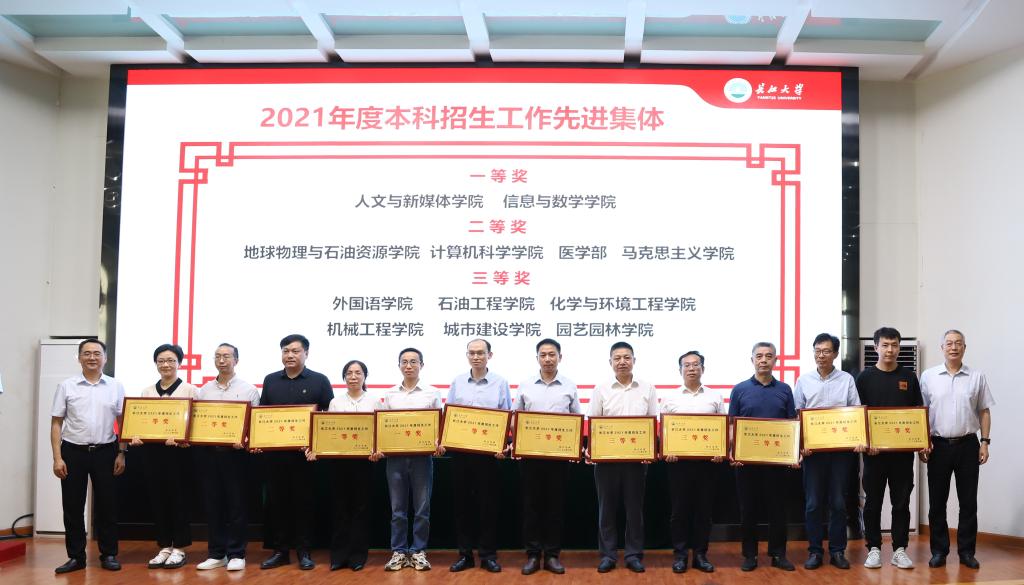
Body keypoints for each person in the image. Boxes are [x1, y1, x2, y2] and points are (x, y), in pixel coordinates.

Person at [258, 334, 334, 570]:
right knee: (277, 503)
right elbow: (262, 414)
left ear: (306, 354)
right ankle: (280, 551)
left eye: (295, 351)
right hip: (275, 456)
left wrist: (316, 444)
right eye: (285, 351)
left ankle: (304, 551)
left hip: (305, 457)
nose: (289, 355)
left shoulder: (320, 380)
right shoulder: (270, 380)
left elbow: (329, 417)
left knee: (304, 504)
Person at [920, 329, 995, 570]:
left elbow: (984, 411)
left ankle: (966, 552)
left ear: (964, 347)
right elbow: (920, 414)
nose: (954, 347)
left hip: (968, 445)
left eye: (958, 343)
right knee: (937, 503)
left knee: (968, 502)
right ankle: (938, 551)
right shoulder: (928, 376)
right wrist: (922, 443)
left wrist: (985, 442)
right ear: (942, 347)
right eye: (949, 343)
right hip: (938, 446)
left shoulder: (976, 376)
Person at [50, 339, 126, 574]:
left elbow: (123, 422)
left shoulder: (115, 386)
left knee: (108, 506)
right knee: (72, 507)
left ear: (105, 358)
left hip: (106, 451)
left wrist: (122, 452)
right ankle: (76, 557)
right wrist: (57, 458)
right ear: (79, 357)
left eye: (97, 353)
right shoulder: (66, 386)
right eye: (87, 353)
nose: (92, 357)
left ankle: (109, 554)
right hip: (73, 452)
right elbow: (56, 423)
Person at [793, 333, 863, 570]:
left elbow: (855, 412)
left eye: (826, 351)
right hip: (813, 454)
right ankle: (814, 551)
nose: (821, 355)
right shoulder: (804, 380)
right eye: (817, 351)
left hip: (841, 453)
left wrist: (858, 438)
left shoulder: (846, 380)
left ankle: (837, 551)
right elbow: (797, 415)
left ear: (835, 354)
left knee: (838, 503)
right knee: (813, 504)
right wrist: (801, 444)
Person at [856, 326, 924, 570]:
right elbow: (857, 415)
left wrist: (920, 443)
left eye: (894, 345)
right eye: (885, 345)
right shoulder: (864, 378)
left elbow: (918, 413)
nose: (890, 350)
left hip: (902, 455)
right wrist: (866, 443)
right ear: (876, 347)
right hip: (874, 455)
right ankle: (874, 548)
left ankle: (899, 550)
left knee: (901, 503)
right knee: (872, 503)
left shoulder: (909, 377)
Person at [443, 338, 512, 573]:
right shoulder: (458, 382)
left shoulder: (500, 383)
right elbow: (449, 416)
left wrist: (503, 444)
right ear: (467, 356)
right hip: (461, 454)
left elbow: (506, 416)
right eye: (471, 353)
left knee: (488, 506)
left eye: (481, 353)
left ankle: (488, 555)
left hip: (489, 456)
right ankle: (465, 555)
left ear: (489, 355)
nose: (476, 357)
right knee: (462, 506)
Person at [588, 341, 657, 574]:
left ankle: (633, 555)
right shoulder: (601, 389)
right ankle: (608, 555)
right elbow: (593, 422)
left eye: (627, 357)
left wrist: (650, 449)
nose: (622, 362)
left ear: (634, 361)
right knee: (606, 510)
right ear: (610, 362)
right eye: (617, 358)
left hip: (636, 461)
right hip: (606, 461)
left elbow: (653, 422)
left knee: (634, 510)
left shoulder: (647, 388)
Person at [728, 342, 797, 572]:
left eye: (769, 356)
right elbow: (731, 424)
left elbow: (791, 424)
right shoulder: (740, 389)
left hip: (776, 462)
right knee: (748, 509)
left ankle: (778, 554)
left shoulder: (785, 389)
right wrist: (733, 451)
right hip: (746, 462)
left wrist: (792, 453)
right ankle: (750, 555)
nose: (764, 360)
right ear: (752, 360)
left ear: (776, 360)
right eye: (759, 356)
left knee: (778, 509)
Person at [515, 338, 580, 575]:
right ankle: (533, 555)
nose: (548, 359)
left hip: (558, 459)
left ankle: (552, 555)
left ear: (560, 357)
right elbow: (516, 420)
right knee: (531, 507)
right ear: (537, 359)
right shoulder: (525, 386)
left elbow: (576, 420)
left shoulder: (569, 386)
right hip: (530, 458)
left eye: (552, 354)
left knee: (555, 507)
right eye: (543, 355)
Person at [131, 344, 199, 569]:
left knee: (179, 499)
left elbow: (197, 424)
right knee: (158, 499)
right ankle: (164, 546)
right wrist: (136, 435)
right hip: (152, 453)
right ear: (156, 364)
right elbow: (139, 421)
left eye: (170, 360)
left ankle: (179, 548)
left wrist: (184, 439)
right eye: (161, 361)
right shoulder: (147, 391)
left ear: (179, 363)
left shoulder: (190, 390)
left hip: (179, 454)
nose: (166, 365)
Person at [306, 360, 376, 571]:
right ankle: (339, 556)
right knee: (340, 509)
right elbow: (328, 432)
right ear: (344, 377)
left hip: (364, 463)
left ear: (365, 376)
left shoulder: (374, 402)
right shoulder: (335, 402)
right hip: (339, 463)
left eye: (358, 373)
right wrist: (317, 448)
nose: (353, 377)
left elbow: (379, 433)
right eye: (349, 373)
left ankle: (358, 556)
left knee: (361, 509)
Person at [195, 343, 259, 572]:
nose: (221, 360)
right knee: (213, 505)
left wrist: (245, 439)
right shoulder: (204, 390)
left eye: (226, 356)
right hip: (210, 454)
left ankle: (236, 553)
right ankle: (216, 553)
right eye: (217, 356)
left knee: (237, 505)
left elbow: (255, 425)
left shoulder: (249, 390)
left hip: (236, 456)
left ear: (236, 360)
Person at [377, 348, 442, 572]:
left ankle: (418, 552)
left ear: (421, 365)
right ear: (399, 366)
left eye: (413, 361)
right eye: (404, 362)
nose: (409, 366)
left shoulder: (432, 393)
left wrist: (438, 442)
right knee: (398, 509)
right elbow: (382, 427)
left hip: (422, 458)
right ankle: (398, 551)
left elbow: (439, 426)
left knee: (422, 508)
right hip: (394, 459)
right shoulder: (389, 395)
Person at [660, 350, 723, 574]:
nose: (691, 368)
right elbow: (663, 431)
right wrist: (666, 451)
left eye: (696, 365)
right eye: (687, 365)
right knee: (679, 511)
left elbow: (722, 429)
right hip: (679, 465)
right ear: (680, 370)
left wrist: (720, 450)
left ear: (703, 369)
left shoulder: (715, 397)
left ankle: (700, 555)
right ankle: (680, 555)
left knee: (704, 511)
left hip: (708, 465)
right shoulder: (670, 398)